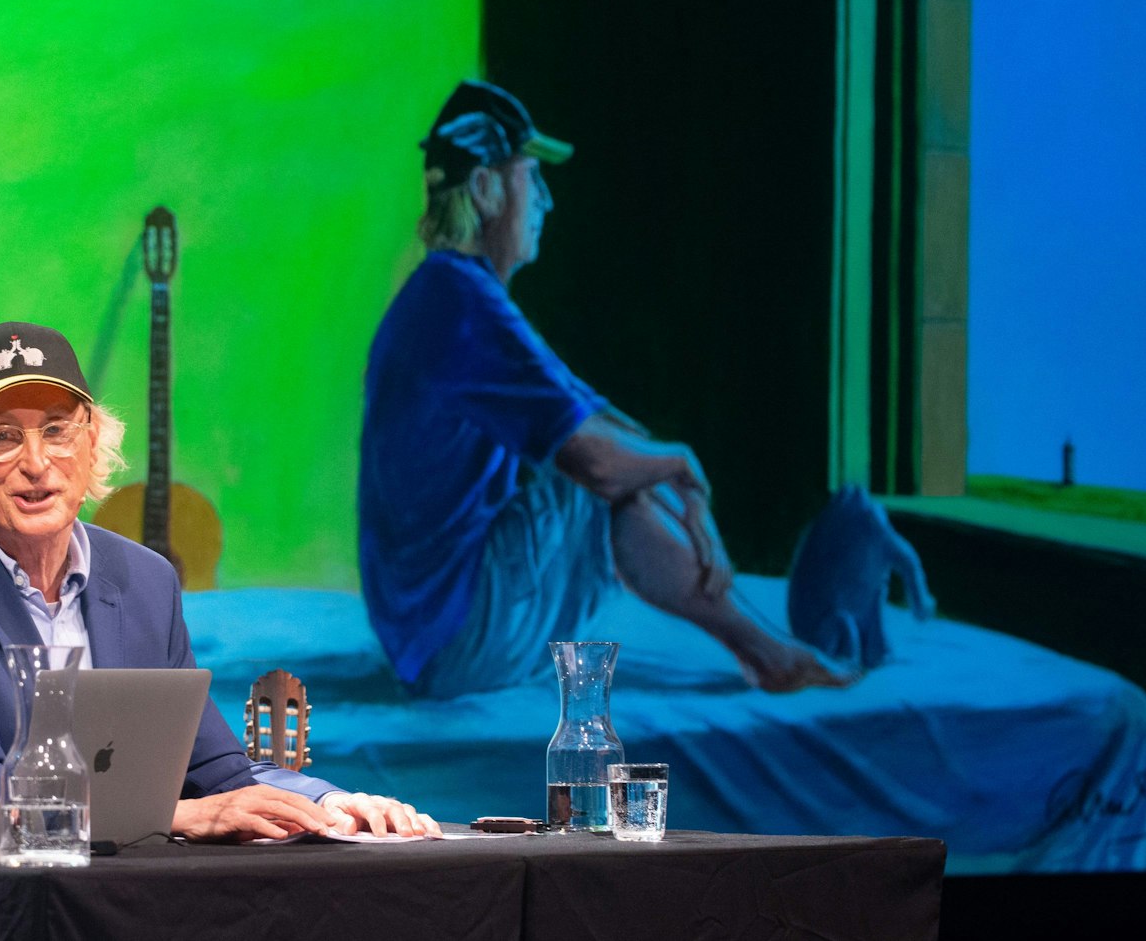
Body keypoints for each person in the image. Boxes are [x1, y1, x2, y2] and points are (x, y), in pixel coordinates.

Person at [0, 322, 437, 842]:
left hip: (103, 892)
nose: (36, 462)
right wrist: (180, 817)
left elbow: (214, 769)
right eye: (4, 436)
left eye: (57, 430)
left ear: (91, 441)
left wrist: (329, 804)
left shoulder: (145, 580)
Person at [358, 81, 851, 699]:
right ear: (485, 189)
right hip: (451, 641)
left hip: (428, 632)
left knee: (602, 460)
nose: (545, 201)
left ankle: (768, 651)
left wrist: (674, 475)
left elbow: (598, 417)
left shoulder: (451, 296)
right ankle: (771, 656)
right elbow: (597, 459)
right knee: (590, 477)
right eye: (530, 179)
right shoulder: (459, 303)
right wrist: (683, 465)